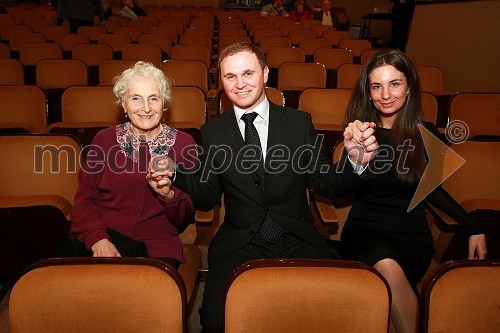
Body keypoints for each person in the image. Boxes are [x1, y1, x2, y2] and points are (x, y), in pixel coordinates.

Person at [149, 42, 378, 332]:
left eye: (248, 73)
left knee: (333, 309)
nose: (240, 84)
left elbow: (326, 183)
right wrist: (176, 172)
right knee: (216, 318)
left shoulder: (298, 123)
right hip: (240, 240)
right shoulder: (213, 131)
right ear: (221, 81)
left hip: (297, 236)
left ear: (265, 74)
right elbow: (207, 197)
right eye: (230, 76)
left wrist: (355, 161)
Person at [339, 49, 487, 333]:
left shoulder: (426, 133)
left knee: (390, 307)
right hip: (365, 232)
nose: (386, 94)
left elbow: (434, 191)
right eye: (376, 86)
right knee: (386, 265)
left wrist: (474, 226)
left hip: (411, 236)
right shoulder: (359, 134)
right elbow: (338, 186)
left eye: (394, 83)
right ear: (368, 93)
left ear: (409, 88)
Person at [64, 61, 197, 270]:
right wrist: (98, 240)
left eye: (153, 98)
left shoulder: (184, 143)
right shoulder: (104, 139)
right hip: (104, 238)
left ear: (164, 104)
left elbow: (186, 214)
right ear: (124, 105)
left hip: (157, 248)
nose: (146, 108)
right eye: (136, 98)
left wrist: (168, 195)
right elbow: (85, 200)